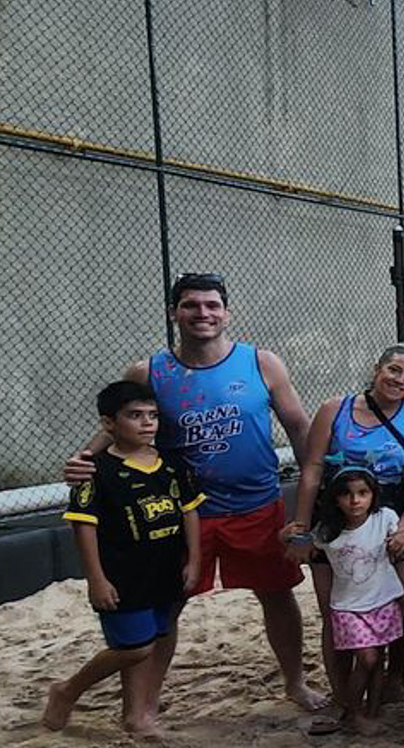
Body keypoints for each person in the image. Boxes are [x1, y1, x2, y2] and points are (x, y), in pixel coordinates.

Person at [65, 273, 324, 714]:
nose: (202, 313)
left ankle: (295, 683)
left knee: (277, 594)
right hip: (182, 511)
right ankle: (144, 707)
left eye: (211, 305)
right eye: (191, 305)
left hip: (256, 504)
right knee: (168, 605)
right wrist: (84, 458)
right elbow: (117, 422)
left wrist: (313, 494)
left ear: (227, 313)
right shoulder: (149, 371)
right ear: (174, 313)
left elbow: (300, 427)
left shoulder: (261, 363)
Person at [45, 380, 203, 738]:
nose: (147, 423)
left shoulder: (172, 464)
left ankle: (134, 716)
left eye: (152, 415)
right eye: (135, 415)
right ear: (109, 423)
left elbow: (190, 512)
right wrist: (96, 579)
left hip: (165, 569)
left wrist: (194, 560)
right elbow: (84, 527)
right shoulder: (95, 472)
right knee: (133, 649)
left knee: (154, 639)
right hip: (122, 575)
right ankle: (67, 690)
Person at [289, 345, 404, 716]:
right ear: (377, 368)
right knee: (335, 611)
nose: (399, 380)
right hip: (336, 520)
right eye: (394, 369)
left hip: (392, 517)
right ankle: (344, 700)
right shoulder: (334, 410)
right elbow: (312, 469)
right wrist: (302, 528)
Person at [309, 466, 404, 736]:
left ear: (373, 495)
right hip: (347, 606)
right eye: (346, 494)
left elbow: (401, 536)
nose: (355, 501)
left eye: (363, 493)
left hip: (383, 600)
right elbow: (304, 546)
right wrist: (288, 536)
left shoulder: (385, 518)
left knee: (378, 658)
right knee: (367, 657)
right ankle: (352, 711)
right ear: (335, 498)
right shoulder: (326, 531)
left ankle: (370, 712)